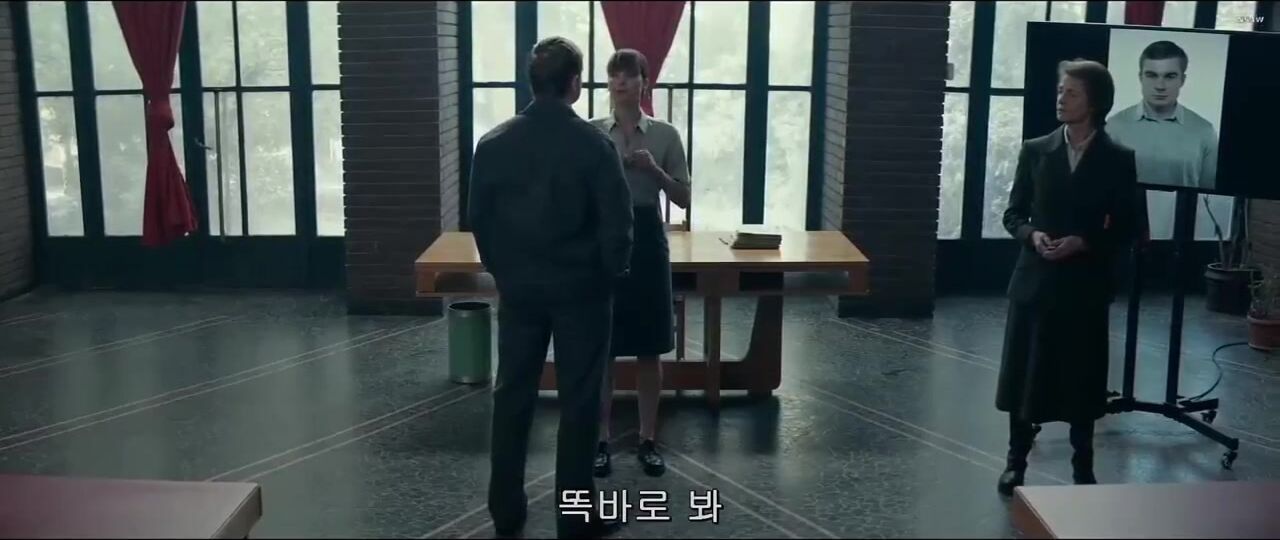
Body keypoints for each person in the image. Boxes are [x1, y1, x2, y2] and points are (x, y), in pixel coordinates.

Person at [469, 36, 633, 539]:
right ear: (574, 84)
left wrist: (505, 272)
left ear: (532, 82)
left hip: (520, 290)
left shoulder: (493, 144)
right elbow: (618, 226)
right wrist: (609, 275)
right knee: (580, 401)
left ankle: (506, 510)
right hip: (582, 292)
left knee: (512, 394)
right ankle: (575, 517)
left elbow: (480, 222)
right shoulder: (594, 145)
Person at [996, 59, 1140, 497]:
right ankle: (1015, 462)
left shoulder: (1118, 159)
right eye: (1060, 90)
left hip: (1084, 286)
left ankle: (1083, 468)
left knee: (1082, 379)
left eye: (1071, 92)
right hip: (1035, 282)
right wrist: (1032, 235)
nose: (1061, 98)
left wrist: (1084, 241)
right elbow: (1013, 214)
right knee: (1026, 376)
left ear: (1094, 102)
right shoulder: (1036, 150)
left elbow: (1128, 227)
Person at [588, 49, 691, 480]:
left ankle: (648, 439)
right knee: (604, 347)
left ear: (645, 82)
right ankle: (600, 440)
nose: (621, 82)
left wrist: (655, 173)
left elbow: (684, 197)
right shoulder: (592, 133)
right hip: (604, 240)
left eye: (629, 75)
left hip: (648, 238)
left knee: (651, 345)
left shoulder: (665, 135)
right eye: (614, 75)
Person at [1106, 40, 1218, 191]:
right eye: (1152, 75)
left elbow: (1209, 190)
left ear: (1182, 80)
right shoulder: (1114, 127)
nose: (1160, 86)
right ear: (1140, 78)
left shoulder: (1204, 131)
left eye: (1170, 76)